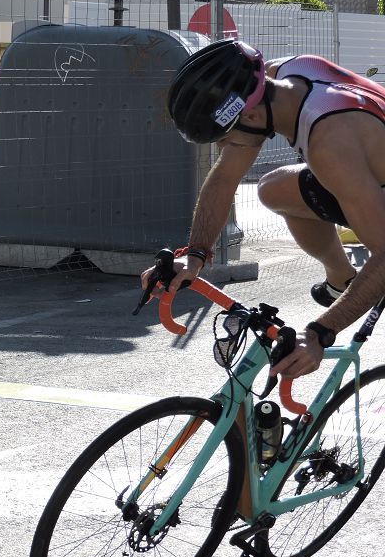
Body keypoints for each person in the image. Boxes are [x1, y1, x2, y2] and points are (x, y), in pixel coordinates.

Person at [152, 38, 385, 380]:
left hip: (359, 168)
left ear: (250, 114)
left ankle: (351, 288)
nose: (222, 145)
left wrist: (320, 332)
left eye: (225, 135)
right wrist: (196, 254)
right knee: (274, 188)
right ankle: (341, 278)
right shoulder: (279, 77)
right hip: (369, 172)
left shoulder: (329, 144)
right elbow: (223, 179)